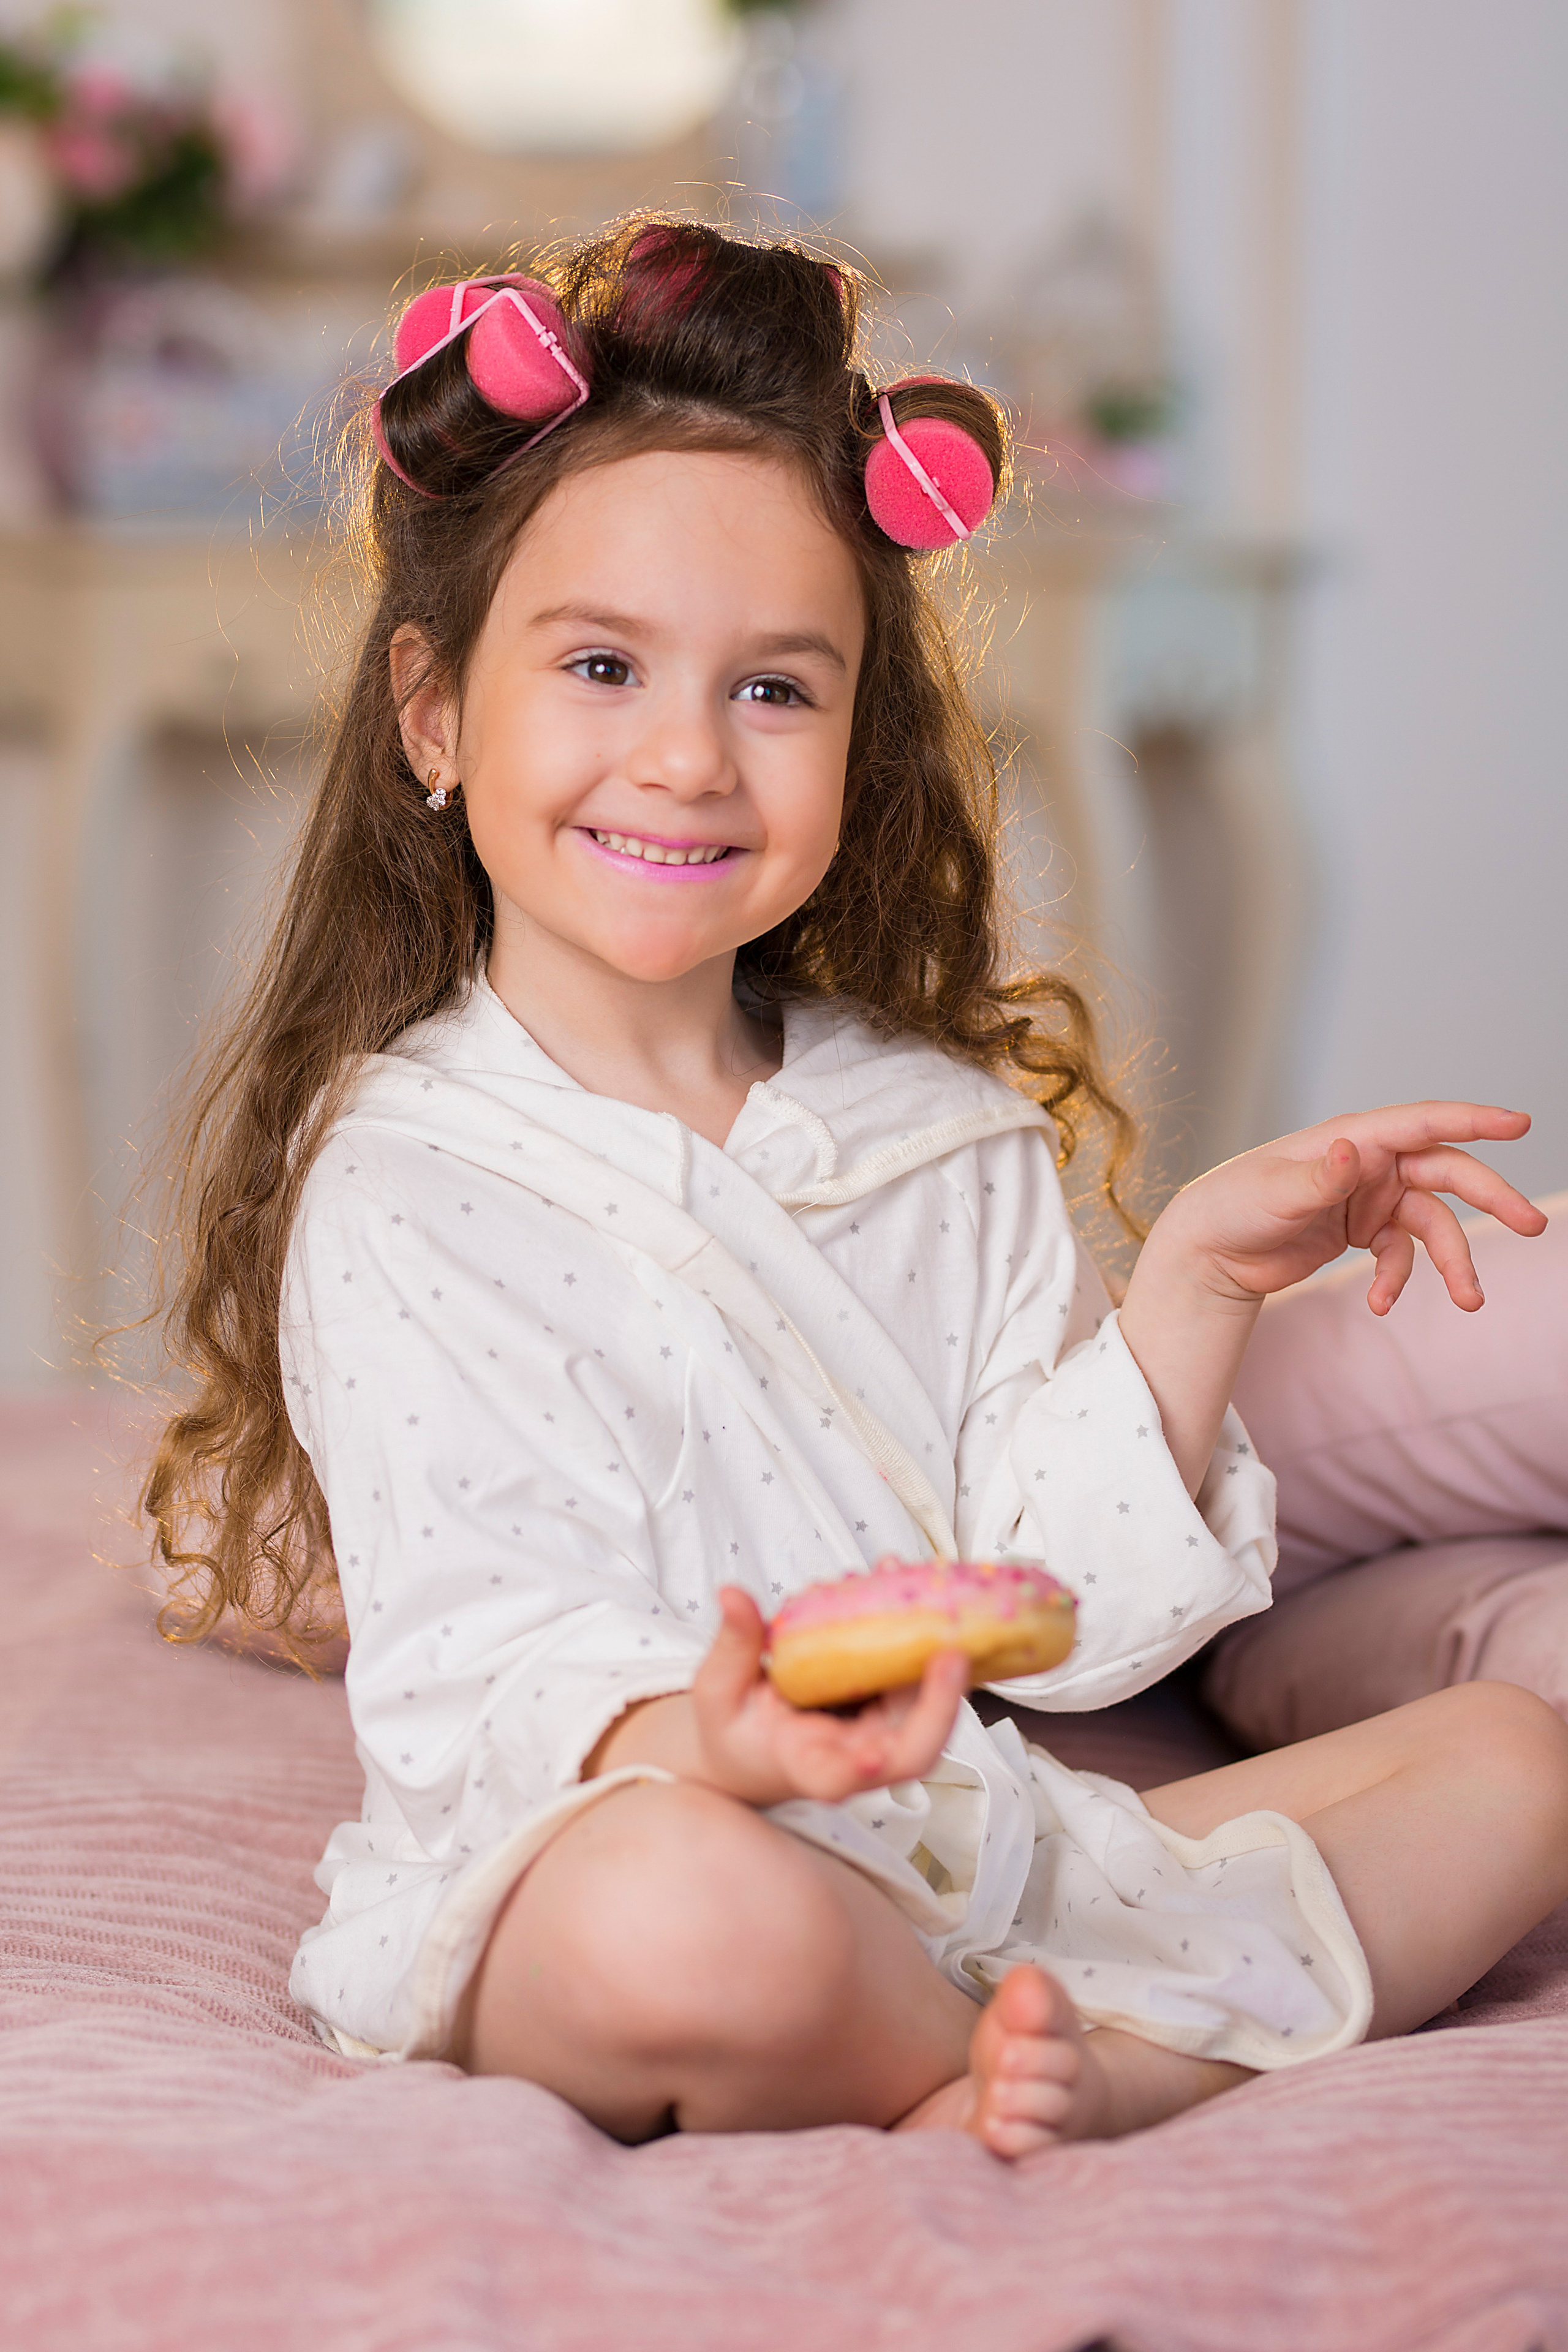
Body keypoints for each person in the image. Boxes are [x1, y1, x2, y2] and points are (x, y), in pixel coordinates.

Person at [145, 219, 1568, 2161]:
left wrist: (1200, 1290)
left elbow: (1067, 1617)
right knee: (683, 1918)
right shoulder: (406, 1178)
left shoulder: (945, 1136)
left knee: (1513, 1764)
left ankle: (1084, 2060)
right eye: (601, 665)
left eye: (774, 692)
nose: (684, 758)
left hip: (967, 1850)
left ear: (857, 736)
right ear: (435, 713)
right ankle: (1032, 2040)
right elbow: (485, 1644)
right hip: (615, 1837)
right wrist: (712, 1743)